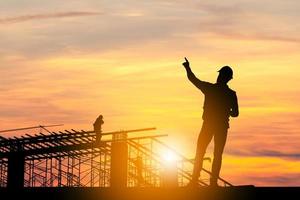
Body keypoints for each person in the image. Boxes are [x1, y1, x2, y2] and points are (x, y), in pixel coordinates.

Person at [182, 57, 239, 186]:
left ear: (222, 76)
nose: (218, 77)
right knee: (216, 154)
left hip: (209, 125)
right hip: (221, 126)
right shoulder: (231, 94)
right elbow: (235, 113)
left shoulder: (210, 89)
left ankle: (195, 180)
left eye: (220, 75)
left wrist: (187, 68)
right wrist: (226, 111)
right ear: (229, 78)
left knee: (201, 151)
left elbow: (194, 80)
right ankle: (212, 182)